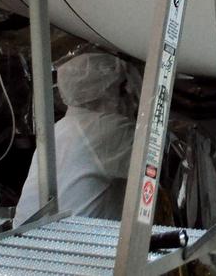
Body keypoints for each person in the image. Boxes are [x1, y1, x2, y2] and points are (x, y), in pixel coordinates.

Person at [13, 49, 139, 226]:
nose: (130, 98)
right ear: (105, 91)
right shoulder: (106, 129)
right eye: (122, 89)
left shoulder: (59, 129)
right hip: (72, 245)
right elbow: (153, 165)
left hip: (26, 240)